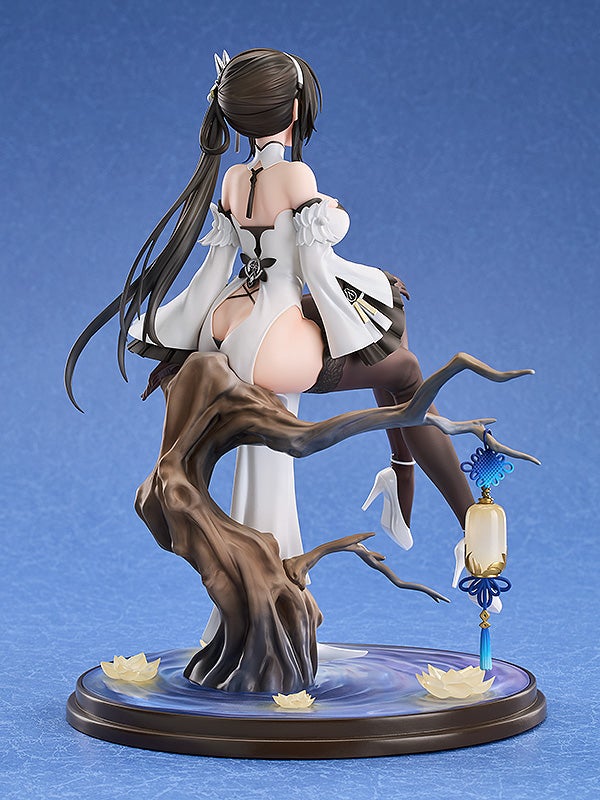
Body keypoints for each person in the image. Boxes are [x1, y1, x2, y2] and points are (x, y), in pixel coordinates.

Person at [65, 50, 475, 639]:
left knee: (386, 324)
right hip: (271, 343)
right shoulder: (296, 177)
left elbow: (215, 271)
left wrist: (181, 341)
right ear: (294, 111)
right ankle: (460, 515)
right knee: (405, 368)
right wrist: (371, 282)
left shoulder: (234, 178)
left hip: (228, 323)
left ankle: (397, 479)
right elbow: (318, 268)